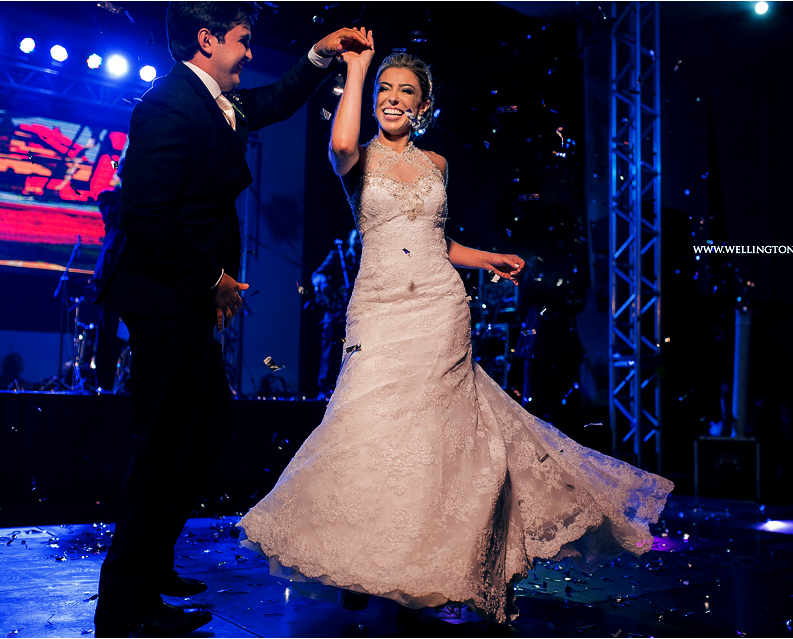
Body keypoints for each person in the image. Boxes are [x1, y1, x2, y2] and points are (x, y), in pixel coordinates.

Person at [238, 35, 673, 624]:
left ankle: (438, 560)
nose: (393, 99)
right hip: (379, 309)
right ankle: (362, 556)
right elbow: (339, 143)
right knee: (365, 425)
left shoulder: (438, 164)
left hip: (439, 306)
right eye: (386, 90)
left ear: (424, 107)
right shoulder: (355, 157)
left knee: (438, 436)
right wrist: (358, 67)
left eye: (406, 92)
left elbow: (436, 241)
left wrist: (485, 257)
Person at [92, 3, 369, 636]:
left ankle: (152, 565)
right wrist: (210, 280)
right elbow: (145, 216)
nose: (249, 52)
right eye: (243, 40)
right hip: (164, 301)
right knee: (164, 447)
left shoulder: (216, 101)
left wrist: (321, 54)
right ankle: (124, 605)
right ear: (207, 39)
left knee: (207, 429)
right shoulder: (168, 106)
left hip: (184, 302)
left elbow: (276, 100)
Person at [311, 228, 361, 398]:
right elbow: (317, 274)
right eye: (355, 237)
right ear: (349, 240)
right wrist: (324, 284)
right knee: (330, 348)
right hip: (335, 310)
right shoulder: (338, 256)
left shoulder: (367, 259)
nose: (358, 241)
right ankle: (324, 389)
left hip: (356, 313)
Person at [90, 169, 126, 393]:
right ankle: (104, 387)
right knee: (108, 332)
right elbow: (117, 216)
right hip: (111, 273)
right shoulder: (109, 197)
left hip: (137, 274)